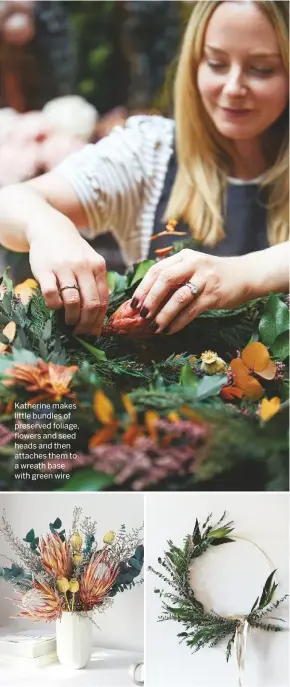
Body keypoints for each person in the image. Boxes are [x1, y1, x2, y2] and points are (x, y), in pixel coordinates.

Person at [0, 0, 288, 337]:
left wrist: (244, 274)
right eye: (216, 63)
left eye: (262, 69)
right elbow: (12, 201)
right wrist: (46, 226)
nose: (233, 87)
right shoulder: (149, 151)